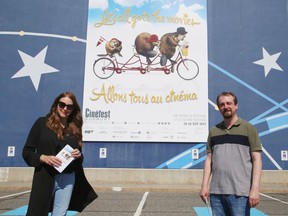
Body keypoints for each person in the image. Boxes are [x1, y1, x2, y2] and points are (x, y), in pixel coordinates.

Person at [22, 92, 97, 216]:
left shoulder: (75, 128)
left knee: (60, 214)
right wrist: (42, 157)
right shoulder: (42, 123)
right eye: (62, 104)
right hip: (46, 176)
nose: (65, 109)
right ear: (56, 105)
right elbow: (27, 151)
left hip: (67, 178)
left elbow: (79, 157)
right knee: (38, 212)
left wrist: (78, 155)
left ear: (73, 109)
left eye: (69, 106)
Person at [199, 92, 262, 216]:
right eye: (222, 104)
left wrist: (255, 188)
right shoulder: (214, 131)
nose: (226, 106)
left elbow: (257, 160)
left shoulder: (249, 129)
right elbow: (209, 160)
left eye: (229, 103)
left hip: (240, 194)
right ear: (219, 108)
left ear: (236, 105)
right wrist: (204, 186)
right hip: (216, 194)